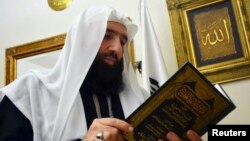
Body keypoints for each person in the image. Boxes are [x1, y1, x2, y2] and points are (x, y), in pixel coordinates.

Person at [0, 5, 202, 141]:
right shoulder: (29, 94)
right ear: (81, 42)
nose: (118, 49)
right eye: (106, 36)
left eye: (123, 41)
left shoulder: (141, 99)